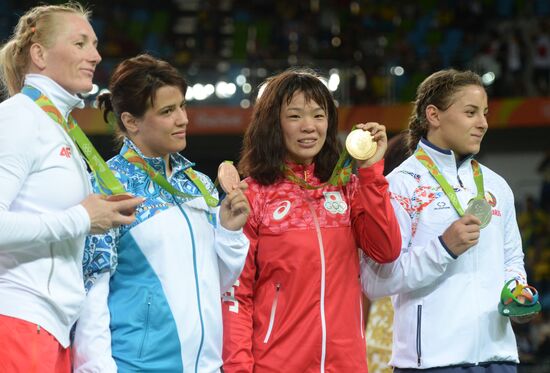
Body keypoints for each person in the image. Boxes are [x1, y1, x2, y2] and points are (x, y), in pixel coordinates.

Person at [72, 54, 251, 373]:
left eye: (182, 106)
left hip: (207, 366)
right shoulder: (106, 188)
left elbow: (217, 282)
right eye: (167, 111)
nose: (182, 119)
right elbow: (90, 296)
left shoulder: (198, 185)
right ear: (130, 121)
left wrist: (229, 231)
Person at [221, 68, 401, 372]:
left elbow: (386, 249)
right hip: (275, 365)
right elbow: (236, 294)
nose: (309, 127)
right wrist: (238, 368)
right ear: (272, 124)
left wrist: (371, 172)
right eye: (294, 116)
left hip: (346, 364)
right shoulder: (252, 195)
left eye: (318, 116)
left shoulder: (346, 188)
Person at [362, 69, 535, 372]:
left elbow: (512, 259)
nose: (482, 123)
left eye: (484, 113)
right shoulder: (401, 186)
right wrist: (444, 248)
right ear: (434, 115)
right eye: (470, 113)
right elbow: (375, 280)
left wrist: (517, 291)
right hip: (433, 362)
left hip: (499, 358)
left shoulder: (497, 186)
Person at [0, 3, 142, 372]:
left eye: (94, 44)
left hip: (51, 328)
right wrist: (82, 218)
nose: (95, 55)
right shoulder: (18, 118)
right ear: (39, 54)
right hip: (17, 321)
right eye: (80, 44)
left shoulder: (55, 125)